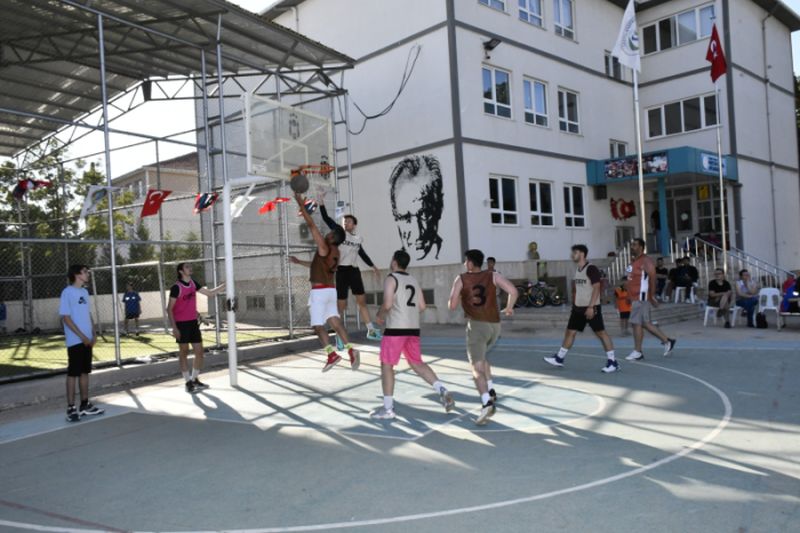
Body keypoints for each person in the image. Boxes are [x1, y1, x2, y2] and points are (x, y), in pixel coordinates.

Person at [370, 250, 455, 420]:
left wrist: (379, 315)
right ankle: (441, 389)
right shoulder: (413, 280)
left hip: (395, 330)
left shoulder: (391, 278)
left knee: (387, 365)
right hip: (413, 329)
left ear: (394, 262)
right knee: (417, 363)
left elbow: (387, 304)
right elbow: (422, 306)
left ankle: (388, 409)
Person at [289, 192, 360, 372]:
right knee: (336, 323)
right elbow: (317, 267)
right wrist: (299, 262)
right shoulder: (336, 253)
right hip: (330, 290)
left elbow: (311, 225)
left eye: (329, 233)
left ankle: (331, 354)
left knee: (317, 325)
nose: (326, 233)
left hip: (319, 293)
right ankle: (351, 350)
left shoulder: (324, 246)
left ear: (332, 237)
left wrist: (300, 203)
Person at [448, 249, 518, 425]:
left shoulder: (462, 279)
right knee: (483, 358)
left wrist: (456, 297)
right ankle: (492, 390)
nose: (465, 264)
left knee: (476, 368)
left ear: (471, 263)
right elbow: (513, 290)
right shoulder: (493, 275)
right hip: (495, 326)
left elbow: (452, 305)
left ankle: (486, 403)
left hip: (477, 326)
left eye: (466, 261)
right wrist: (509, 308)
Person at [544, 245, 619, 373]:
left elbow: (596, 288)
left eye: (575, 252)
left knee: (601, 333)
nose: (573, 255)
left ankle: (613, 362)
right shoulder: (578, 269)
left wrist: (590, 307)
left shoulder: (591, 269)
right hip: (578, 308)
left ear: (582, 254)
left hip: (591, 307)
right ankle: (559, 358)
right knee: (570, 332)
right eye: (573, 252)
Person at [319, 205, 382, 342]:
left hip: (354, 271)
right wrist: (321, 203)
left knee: (362, 302)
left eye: (349, 221)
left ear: (354, 225)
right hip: (342, 271)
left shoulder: (358, 239)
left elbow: (362, 254)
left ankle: (370, 330)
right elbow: (326, 218)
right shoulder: (339, 233)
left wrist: (374, 267)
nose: (346, 222)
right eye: (345, 221)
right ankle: (339, 334)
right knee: (341, 305)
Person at [167, 263, 225, 393]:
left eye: (190, 267)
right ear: (181, 271)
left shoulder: (193, 283)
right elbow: (169, 309)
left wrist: (225, 285)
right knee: (184, 352)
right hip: (181, 324)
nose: (190, 268)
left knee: (199, 352)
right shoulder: (176, 287)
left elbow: (210, 293)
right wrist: (174, 328)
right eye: (187, 267)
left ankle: (194, 379)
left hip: (193, 323)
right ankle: (187, 382)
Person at [59, 265, 104, 422]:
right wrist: (81, 336)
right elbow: (66, 317)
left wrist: (93, 333)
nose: (88, 274)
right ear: (77, 275)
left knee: (85, 372)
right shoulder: (67, 292)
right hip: (75, 341)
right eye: (85, 272)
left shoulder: (84, 292)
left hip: (87, 340)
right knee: (73, 373)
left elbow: (87, 314)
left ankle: (84, 405)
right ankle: (71, 407)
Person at [625, 238, 677, 361]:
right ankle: (667, 341)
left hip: (641, 296)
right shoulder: (633, 262)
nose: (632, 247)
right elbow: (630, 279)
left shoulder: (646, 261)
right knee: (644, 323)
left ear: (641, 247)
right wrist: (628, 295)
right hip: (635, 297)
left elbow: (653, 278)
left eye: (635, 245)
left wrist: (652, 295)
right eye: (631, 245)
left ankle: (638, 351)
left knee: (637, 323)